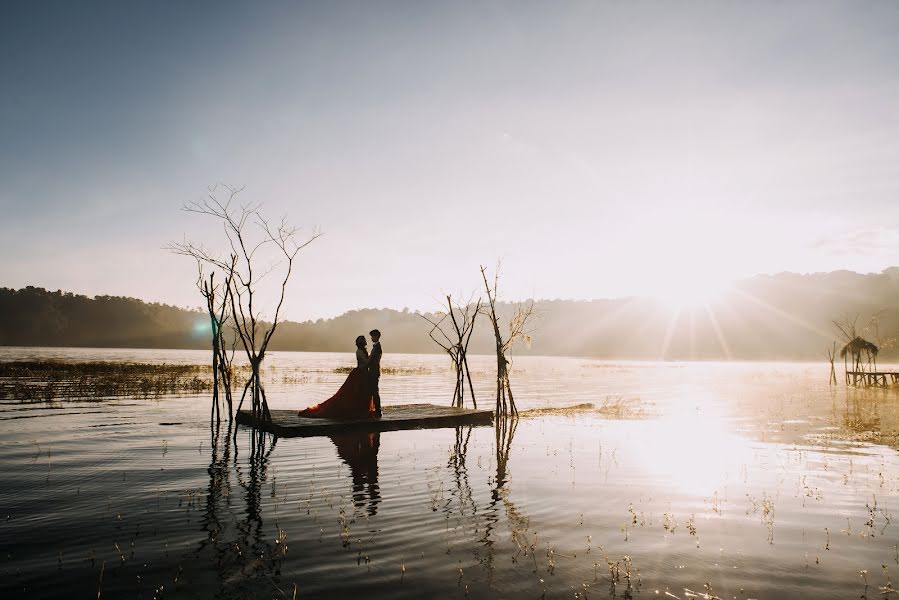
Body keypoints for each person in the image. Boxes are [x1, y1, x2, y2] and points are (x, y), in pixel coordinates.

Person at [297, 335, 375, 418]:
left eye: (364, 340)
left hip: (364, 374)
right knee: (352, 393)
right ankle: (357, 411)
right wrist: (373, 355)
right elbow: (366, 362)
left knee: (361, 393)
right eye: (363, 340)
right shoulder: (359, 351)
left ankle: (361, 410)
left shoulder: (363, 351)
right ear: (360, 343)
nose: (365, 341)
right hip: (359, 374)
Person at [368, 329, 383, 417]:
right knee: (373, 391)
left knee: (374, 391)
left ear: (376, 336)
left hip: (374, 372)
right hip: (373, 371)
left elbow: (375, 360)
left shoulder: (377, 347)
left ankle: (378, 410)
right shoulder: (375, 347)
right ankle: (375, 409)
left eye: (372, 336)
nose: (371, 338)